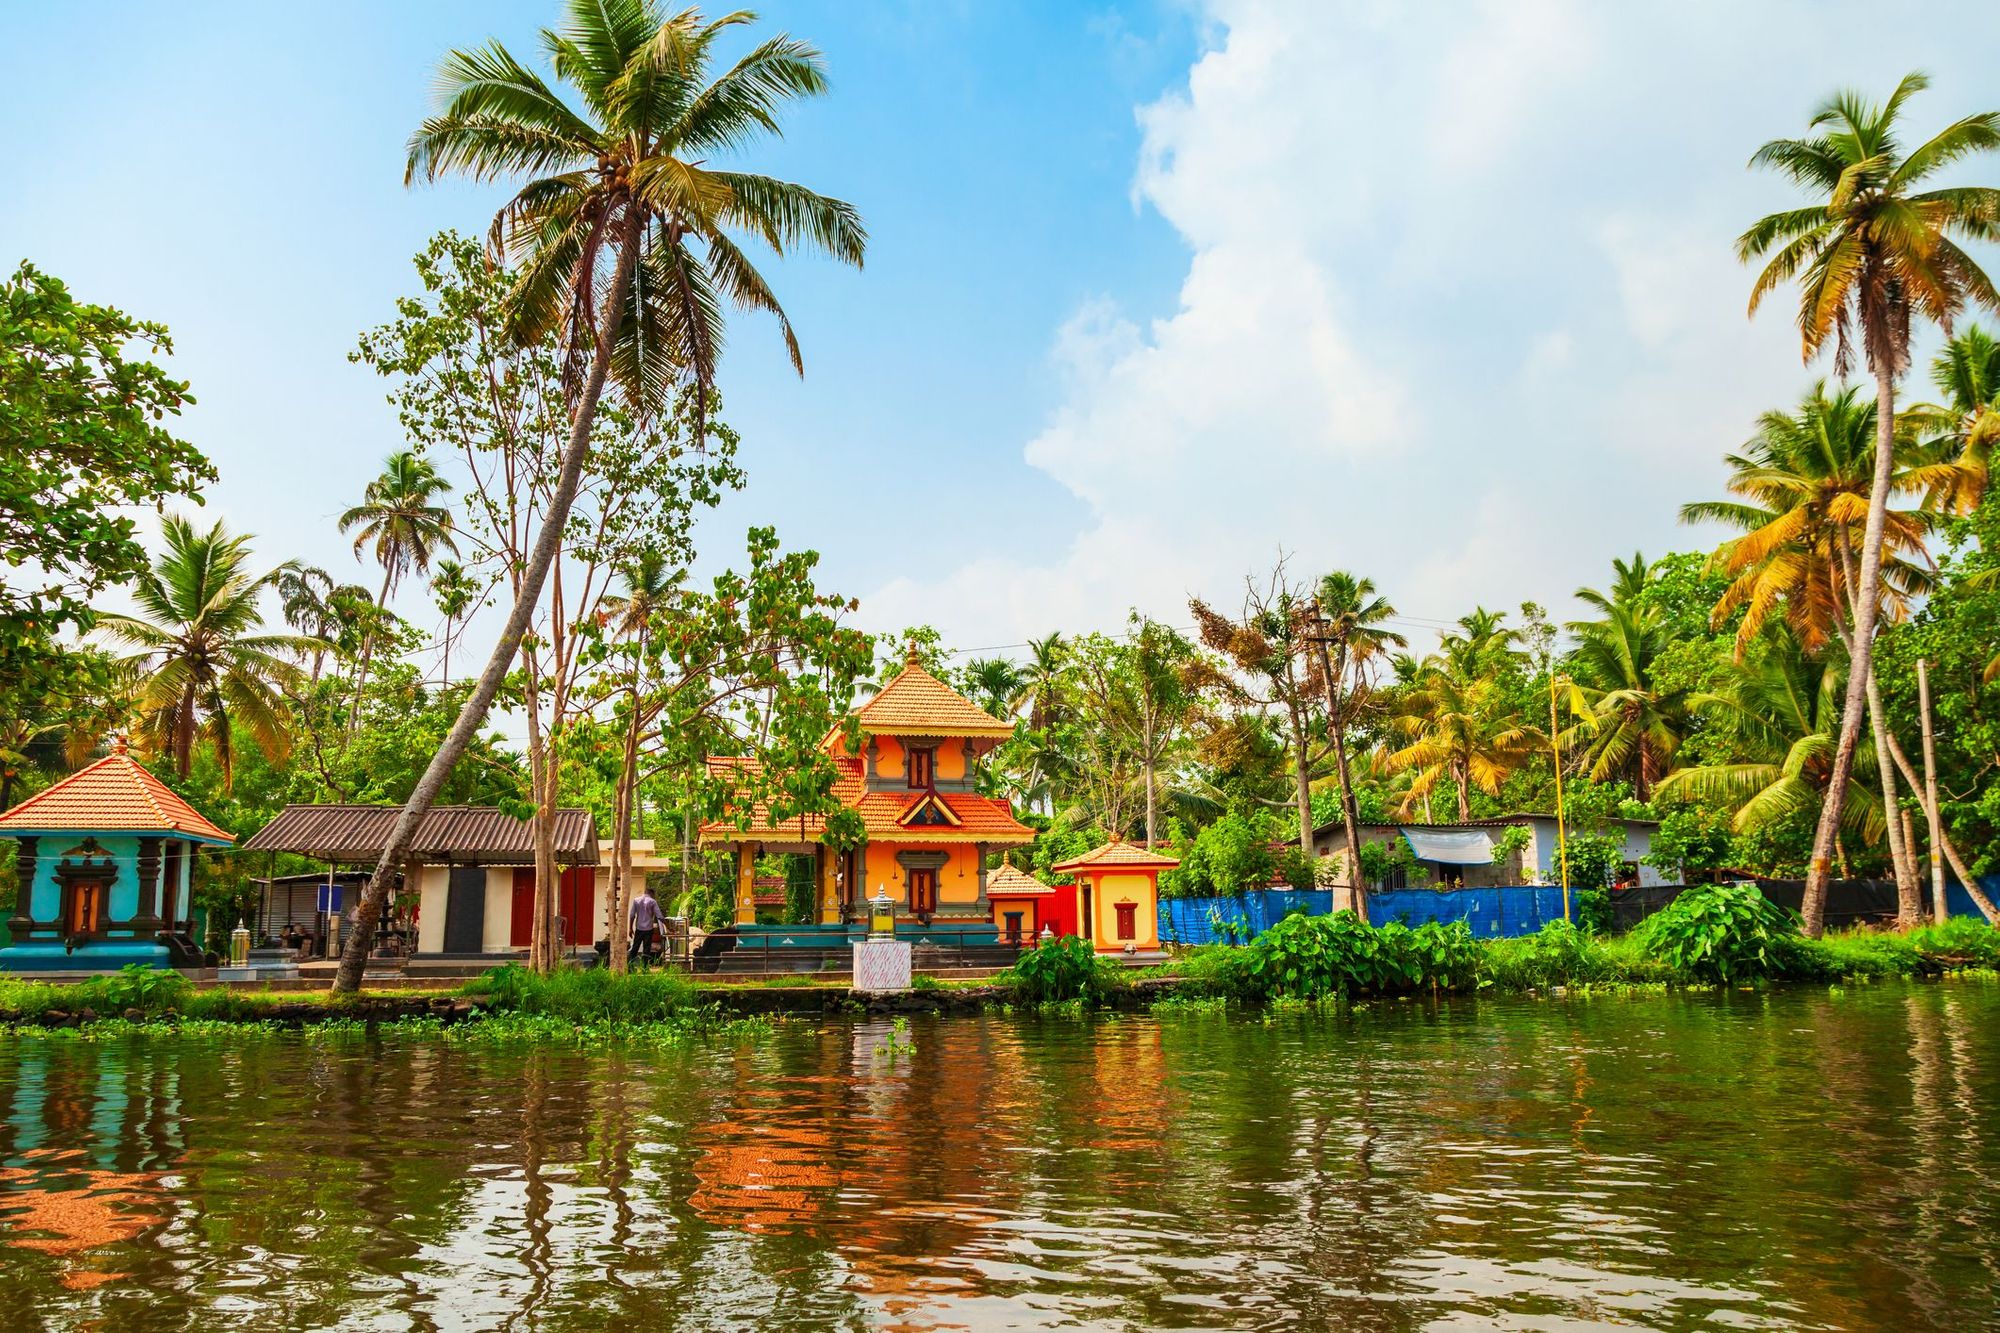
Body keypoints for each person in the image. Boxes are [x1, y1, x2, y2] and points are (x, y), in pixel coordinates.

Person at [628, 884, 664, 966]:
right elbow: (660, 916)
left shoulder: (636, 900)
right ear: (652, 894)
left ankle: (630, 966)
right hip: (648, 929)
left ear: (645, 892)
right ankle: (645, 967)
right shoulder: (652, 901)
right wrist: (668, 926)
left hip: (639, 928)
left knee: (635, 947)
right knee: (646, 948)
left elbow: (632, 915)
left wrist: (630, 928)